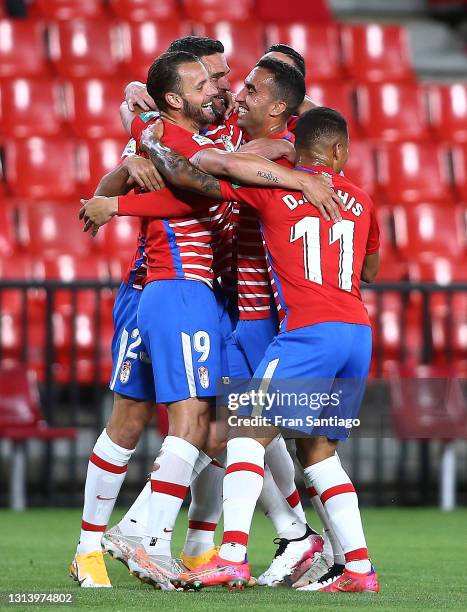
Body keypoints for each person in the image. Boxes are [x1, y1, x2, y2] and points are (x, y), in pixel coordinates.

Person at [119, 106, 381, 594]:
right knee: (321, 455)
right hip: (357, 334)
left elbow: (202, 175)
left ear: (294, 151)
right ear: (341, 151)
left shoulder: (274, 192)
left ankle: (233, 556)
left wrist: (141, 134)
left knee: (244, 432)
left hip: (308, 332)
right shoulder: (363, 198)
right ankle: (359, 569)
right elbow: (372, 270)